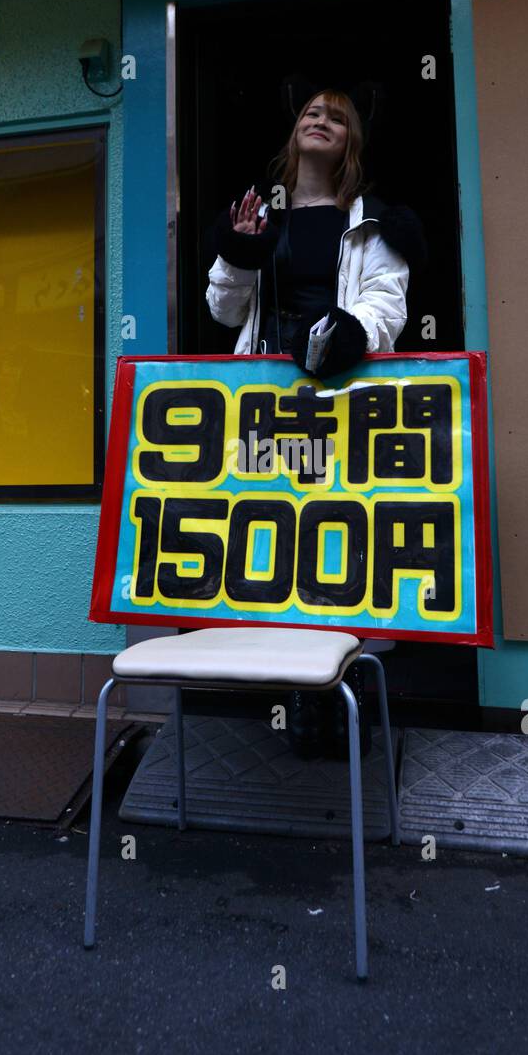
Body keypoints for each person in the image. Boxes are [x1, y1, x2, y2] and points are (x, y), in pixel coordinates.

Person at [205, 78, 427, 759]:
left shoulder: (374, 220)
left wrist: (340, 338)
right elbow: (221, 310)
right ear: (294, 133)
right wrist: (240, 255)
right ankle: (299, 702)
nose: (321, 119)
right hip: (268, 414)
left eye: (336, 115)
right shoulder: (259, 218)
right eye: (310, 111)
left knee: (345, 543)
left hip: (346, 406)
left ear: (350, 141)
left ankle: (350, 701)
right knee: (281, 545)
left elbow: (386, 306)